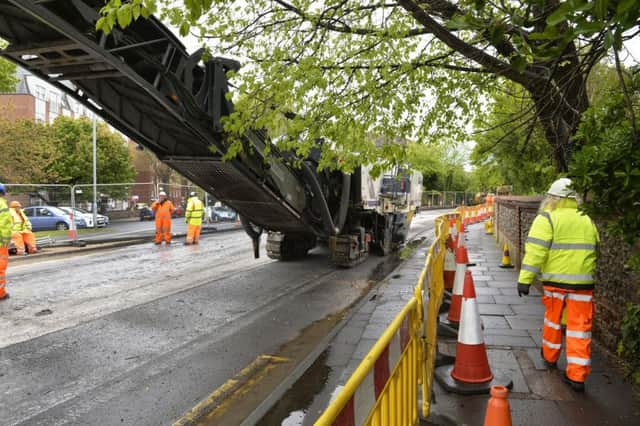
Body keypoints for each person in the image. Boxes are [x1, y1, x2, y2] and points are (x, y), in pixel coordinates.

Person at [517, 178, 599, 392]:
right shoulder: (586, 218)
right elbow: (595, 248)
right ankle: (577, 376)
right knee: (580, 329)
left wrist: (525, 279)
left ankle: (550, 355)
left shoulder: (547, 218)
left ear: (552, 198)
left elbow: (536, 250)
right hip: (583, 285)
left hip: (555, 282)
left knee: (553, 320)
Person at [0, 183, 12, 300]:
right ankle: (1, 293)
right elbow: (5, 226)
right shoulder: (2, 205)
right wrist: (6, 241)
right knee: (0, 269)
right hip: (0, 244)